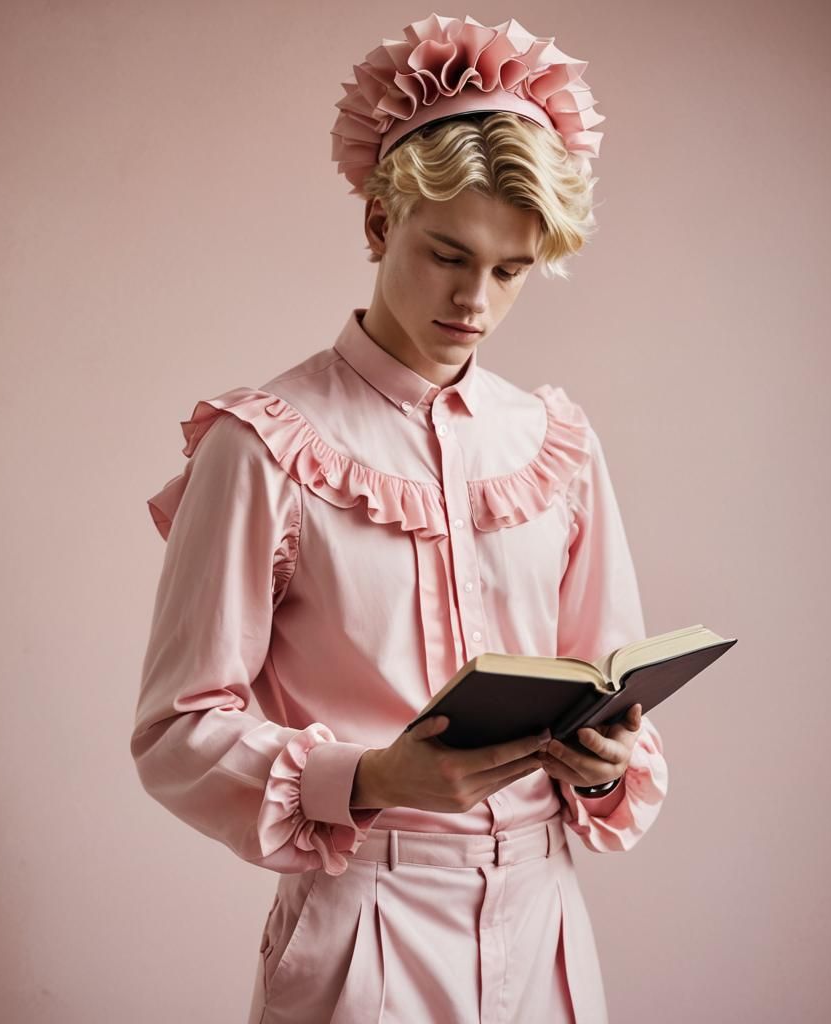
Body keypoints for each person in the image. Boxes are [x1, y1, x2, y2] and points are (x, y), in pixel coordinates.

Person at [130, 13, 668, 1024]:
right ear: (379, 226)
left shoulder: (555, 442)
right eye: (447, 254)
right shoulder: (264, 444)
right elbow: (176, 729)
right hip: (364, 920)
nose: (475, 300)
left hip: (544, 925)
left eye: (510, 271)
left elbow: (610, 679)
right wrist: (372, 774)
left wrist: (605, 766)